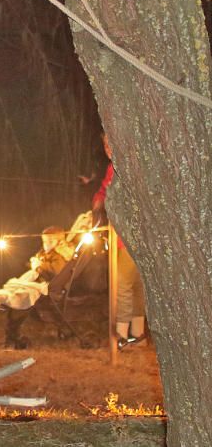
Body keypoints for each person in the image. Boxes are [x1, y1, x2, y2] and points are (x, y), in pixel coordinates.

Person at [93, 133, 146, 350]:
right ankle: (138, 335)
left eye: (110, 143)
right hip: (124, 237)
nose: (107, 148)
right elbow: (104, 191)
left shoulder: (130, 168)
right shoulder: (111, 168)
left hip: (132, 238)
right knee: (134, 286)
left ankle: (123, 338)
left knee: (124, 284)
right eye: (104, 144)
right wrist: (97, 201)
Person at [0, 225, 75, 349]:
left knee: (22, 297)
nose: (46, 244)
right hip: (37, 282)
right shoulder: (44, 252)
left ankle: (12, 334)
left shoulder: (59, 256)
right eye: (44, 241)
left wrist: (39, 266)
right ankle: (4, 303)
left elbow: (56, 271)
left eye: (50, 241)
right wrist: (34, 262)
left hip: (49, 288)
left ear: (59, 242)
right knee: (17, 291)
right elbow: (36, 263)